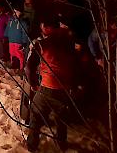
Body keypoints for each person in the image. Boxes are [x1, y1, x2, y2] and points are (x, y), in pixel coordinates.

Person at [24, 16, 77, 152]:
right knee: (61, 120)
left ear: (50, 29)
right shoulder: (71, 45)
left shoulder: (43, 44)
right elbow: (77, 69)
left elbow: (29, 67)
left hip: (47, 87)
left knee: (35, 116)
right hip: (64, 90)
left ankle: (32, 145)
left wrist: (33, 83)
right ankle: (61, 143)